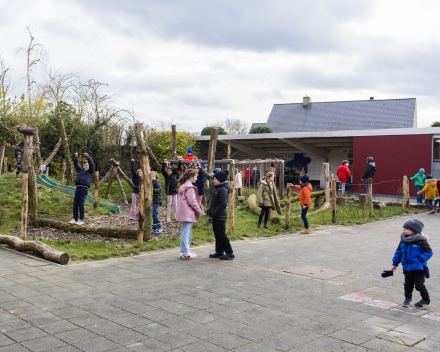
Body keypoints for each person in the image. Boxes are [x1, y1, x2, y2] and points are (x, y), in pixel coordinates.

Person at [391, 218, 432, 308]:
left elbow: (429, 252)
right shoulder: (403, 240)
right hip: (407, 267)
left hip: (418, 268)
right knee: (408, 285)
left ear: (414, 231)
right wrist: (395, 263)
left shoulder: (421, 241)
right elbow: (398, 252)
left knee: (419, 285)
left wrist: (420, 259)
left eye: (406, 228)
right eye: (403, 228)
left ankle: (426, 299)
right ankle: (408, 299)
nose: (404, 230)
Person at [176, 168, 204, 259]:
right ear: (191, 177)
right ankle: (186, 252)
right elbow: (192, 202)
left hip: (184, 212)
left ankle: (184, 250)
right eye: (196, 177)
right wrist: (199, 211)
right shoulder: (190, 188)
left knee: (185, 231)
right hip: (188, 212)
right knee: (186, 232)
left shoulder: (184, 186)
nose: (196, 179)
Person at [209, 170, 234, 260]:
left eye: (215, 179)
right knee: (217, 234)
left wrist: (215, 212)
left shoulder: (222, 189)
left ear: (220, 180)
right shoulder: (218, 187)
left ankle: (230, 253)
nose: (214, 180)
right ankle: (219, 251)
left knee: (222, 235)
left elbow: (223, 203)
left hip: (220, 216)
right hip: (215, 215)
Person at [69, 153, 94, 225]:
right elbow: (76, 165)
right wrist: (76, 158)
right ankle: (75, 219)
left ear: (88, 165)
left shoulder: (90, 171)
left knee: (81, 205)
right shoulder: (80, 170)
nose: (85, 166)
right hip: (78, 188)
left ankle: (81, 220)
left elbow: (92, 165)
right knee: (75, 204)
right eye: (84, 165)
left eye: (86, 165)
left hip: (84, 189)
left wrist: (88, 157)